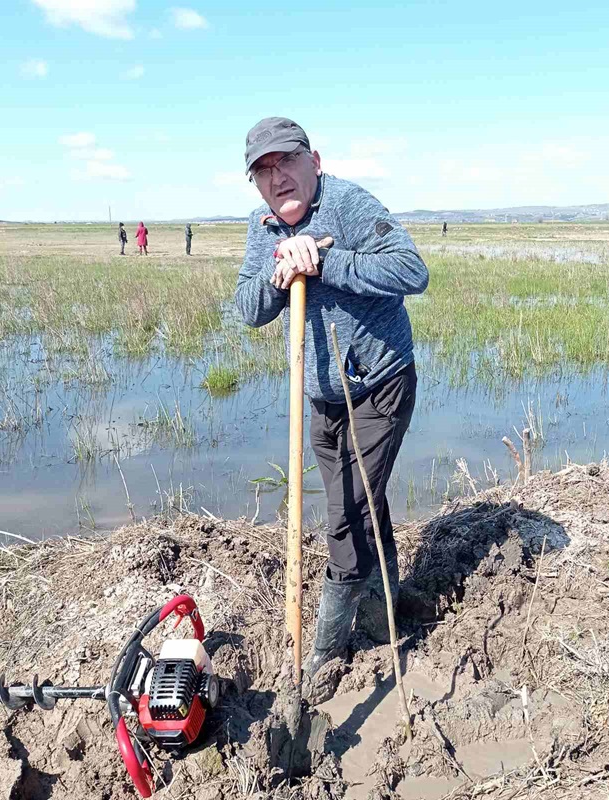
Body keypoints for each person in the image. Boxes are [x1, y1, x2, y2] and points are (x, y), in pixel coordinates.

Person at [234, 117, 429, 697]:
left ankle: (323, 650)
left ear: (313, 161)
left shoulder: (346, 204)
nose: (278, 178)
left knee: (343, 515)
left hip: (381, 383)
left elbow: (411, 270)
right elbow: (248, 306)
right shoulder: (260, 225)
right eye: (263, 172)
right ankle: (391, 596)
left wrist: (326, 262)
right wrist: (279, 272)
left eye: (286, 163)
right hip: (322, 396)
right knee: (363, 501)